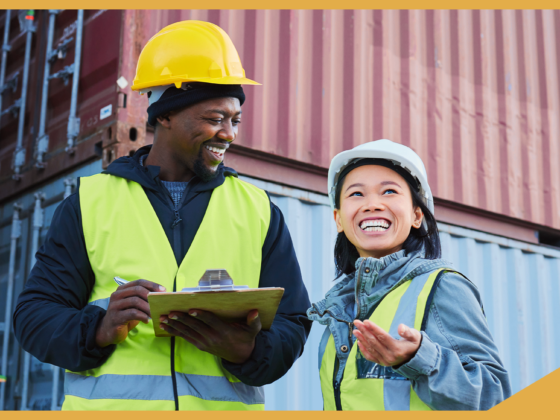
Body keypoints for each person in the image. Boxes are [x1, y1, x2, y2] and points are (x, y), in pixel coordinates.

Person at [13, 20, 311, 411]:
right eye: (214, 117)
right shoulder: (91, 203)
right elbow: (34, 317)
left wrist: (250, 349)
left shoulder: (258, 210)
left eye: (234, 119)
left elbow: (294, 322)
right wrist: (100, 328)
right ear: (165, 115)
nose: (229, 134)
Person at [308, 139, 511, 410]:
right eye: (356, 194)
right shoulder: (338, 309)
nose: (372, 204)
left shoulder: (442, 286)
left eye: (389, 191)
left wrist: (419, 358)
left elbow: (494, 397)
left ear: (417, 215)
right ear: (339, 219)